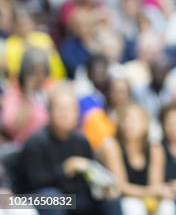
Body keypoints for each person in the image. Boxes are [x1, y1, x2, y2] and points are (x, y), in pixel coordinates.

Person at [20, 85, 121, 215]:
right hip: (39, 198)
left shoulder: (82, 141)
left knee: (110, 196)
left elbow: (90, 175)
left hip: (75, 197)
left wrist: (104, 187)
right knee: (52, 197)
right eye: (60, 109)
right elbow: (35, 182)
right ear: (49, 112)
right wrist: (65, 169)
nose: (65, 114)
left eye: (70, 109)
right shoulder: (35, 142)